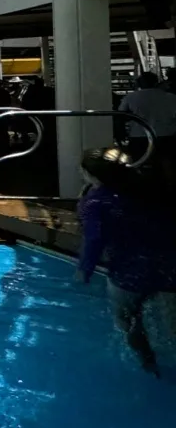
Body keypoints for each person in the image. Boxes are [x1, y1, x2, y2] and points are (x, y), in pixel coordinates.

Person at [76, 146, 175, 376]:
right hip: (169, 267)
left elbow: (94, 239)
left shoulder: (95, 202)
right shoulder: (152, 188)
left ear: (91, 175)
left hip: (128, 273)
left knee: (127, 319)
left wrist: (85, 269)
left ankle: (148, 364)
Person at [119, 70, 176, 185]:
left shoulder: (131, 97)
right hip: (167, 135)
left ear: (139, 83)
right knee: (167, 163)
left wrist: (121, 133)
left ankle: (141, 186)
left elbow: (121, 115)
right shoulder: (171, 97)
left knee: (139, 163)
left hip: (139, 136)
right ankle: (170, 186)